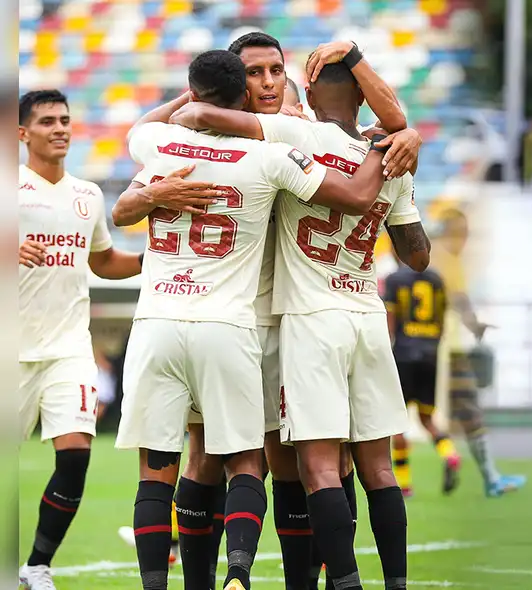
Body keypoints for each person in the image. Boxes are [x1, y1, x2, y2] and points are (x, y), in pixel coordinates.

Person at [112, 49, 390, 590]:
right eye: (255, 73)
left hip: (261, 319)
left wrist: (185, 123)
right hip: (234, 321)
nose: (268, 81)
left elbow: (140, 149)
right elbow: (355, 195)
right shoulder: (277, 150)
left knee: (298, 462)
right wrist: (390, 139)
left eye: (276, 71)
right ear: (241, 86)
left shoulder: (173, 143)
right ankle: (227, 573)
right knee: (223, 459)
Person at [169, 43, 428, 590]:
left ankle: (333, 581)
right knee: (373, 467)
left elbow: (197, 114)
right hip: (364, 313)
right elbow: (418, 255)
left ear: (305, 93)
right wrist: (398, 137)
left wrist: (198, 105)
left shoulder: (296, 137)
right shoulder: (390, 155)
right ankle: (395, 583)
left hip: (302, 318)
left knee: (310, 468)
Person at [18, 89, 144, 590]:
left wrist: (153, 260)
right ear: (22, 133)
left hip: (68, 349)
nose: (60, 128)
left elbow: (101, 261)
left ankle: (37, 566)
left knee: (75, 456)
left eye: (65, 120)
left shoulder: (87, 195)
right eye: (47, 121)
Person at [433, 208, 527, 497]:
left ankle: (409, 478)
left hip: (423, 346)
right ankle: (491, 478)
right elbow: (458, 299)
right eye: (461, 231)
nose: (464, 238)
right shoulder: (446, 258)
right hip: (448, 349)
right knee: (470, 410)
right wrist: (473, 323)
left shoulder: (431, 256)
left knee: (420, 415)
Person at [383, 249, 462, 497]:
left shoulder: (395, 279)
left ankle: (404, 484)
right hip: (430, 355)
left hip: (404, 355)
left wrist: (386, 350)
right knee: (427, 419)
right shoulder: (436, 279)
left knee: (397, 423)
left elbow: (390, 320)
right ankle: (450, 455)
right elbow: (442, 317)